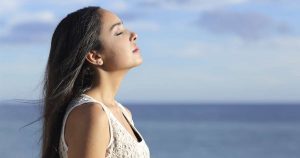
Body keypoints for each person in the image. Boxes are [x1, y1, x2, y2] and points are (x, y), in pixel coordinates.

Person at [40, 6, 150, 158]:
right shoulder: (91, 114)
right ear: (94, 56)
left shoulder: (123, 112)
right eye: (118, 32)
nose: (133, 35)